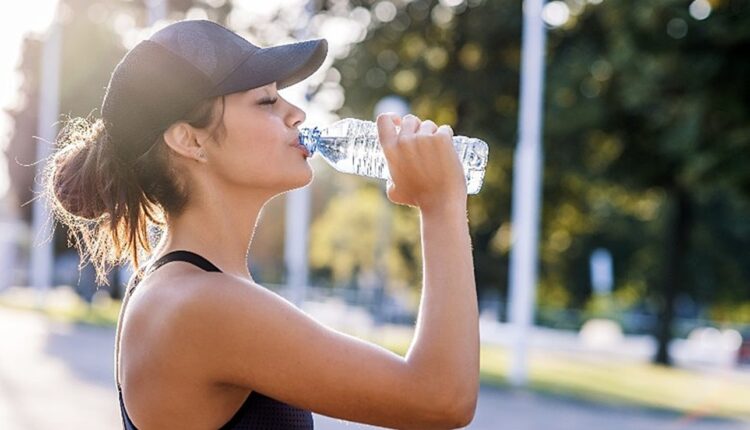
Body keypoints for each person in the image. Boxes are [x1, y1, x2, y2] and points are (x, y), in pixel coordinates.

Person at [44, 19, 478, 429]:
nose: (297, 115)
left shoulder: (185, 288)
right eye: (268, 101)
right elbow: (440, 398)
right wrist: (440, 205)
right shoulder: (201, 304)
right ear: (189, 140)